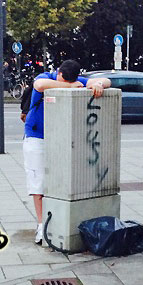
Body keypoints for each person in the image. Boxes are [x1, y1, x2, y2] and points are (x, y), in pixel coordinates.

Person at [23, 59, 111, 244]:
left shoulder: (76, 79)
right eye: (63, 80)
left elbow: (106, 80)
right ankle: (41, 225)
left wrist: (98, 85)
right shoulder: (46, 77)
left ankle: (55, 222)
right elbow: (39, 85)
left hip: (59, 138)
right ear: (59, 73)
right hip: (36, 136)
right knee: (38, 182)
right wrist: (70, 86)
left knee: (57, 181)